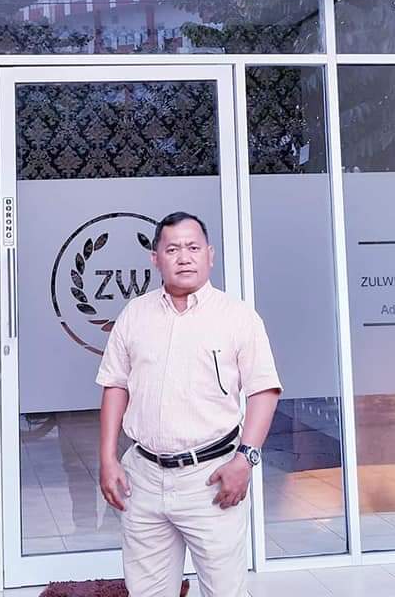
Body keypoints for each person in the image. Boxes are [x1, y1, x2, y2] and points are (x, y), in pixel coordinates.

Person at [96, 211, 281, 597]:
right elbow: (115, 385)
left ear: (210, 255)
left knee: (224, 591)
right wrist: (108, 458)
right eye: (173, 249)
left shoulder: (238, 317)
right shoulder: (135, 315)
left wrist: (245, 460)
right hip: (143, 478)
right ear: (155, 258)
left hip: (211, 478)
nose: (184, 257)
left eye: (193, 248)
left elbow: (263, 390)